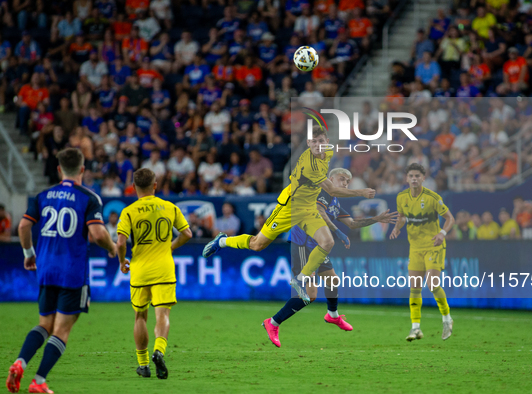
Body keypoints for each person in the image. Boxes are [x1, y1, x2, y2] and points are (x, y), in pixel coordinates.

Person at [202, 126, 376, 302]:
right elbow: (332, 190)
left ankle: (300, 279)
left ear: (327, 142)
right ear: (308, 143)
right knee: (257, 244)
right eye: (313, 142)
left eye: (321, 141)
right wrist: (360, 192)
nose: (317, 145)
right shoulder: (310, 165)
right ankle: (222, 241)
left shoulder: (328, 153)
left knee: (327, 241)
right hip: (290, 207)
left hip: (308, 208)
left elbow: (343, 150)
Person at [6, 148, 117, 394]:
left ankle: (19, 363)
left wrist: (28, 254)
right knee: (62, 329)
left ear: (58, 169)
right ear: (82, 170)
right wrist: (112, 247)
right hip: (72, 272)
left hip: (46, 269)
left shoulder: (43, 195)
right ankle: (39, 381)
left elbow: (24, 226)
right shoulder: (89, 197)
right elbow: (98, 234)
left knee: (44, 324)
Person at [262, 168, 397, 347]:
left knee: (332, 280)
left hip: (317, 246)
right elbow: (319, 212)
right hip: (302, 242)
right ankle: (273, 322)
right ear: (330, 179)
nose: (345, 183)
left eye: (347, 182)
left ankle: (332, 315)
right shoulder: (322, 192)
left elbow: (353, 223)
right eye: (342, 179)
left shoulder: (334, 202)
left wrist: (377, 218)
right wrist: (338, 233)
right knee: (309, 296)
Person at [116, 168, 192, 379]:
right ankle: (159, 350)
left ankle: (143, 365)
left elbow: (120, 243)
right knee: (163, 314)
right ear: (155, 185)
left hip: (140, 269)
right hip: (164, 268)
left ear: (134, 187)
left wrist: (122, 262)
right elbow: (187, 234)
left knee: (140, 315)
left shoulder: (129, 211)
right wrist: (171, 246)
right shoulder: (169, 207)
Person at [389, 163, 455, 342]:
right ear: (406, 178)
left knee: (432, 284)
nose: (414, 179)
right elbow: (402, 216)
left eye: (417, 176)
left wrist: (442, 233)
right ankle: (415, 327)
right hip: (415, 247)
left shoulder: (432, 197)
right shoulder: (401, 197)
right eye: (411, 176)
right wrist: (397, 228)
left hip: (434, 245)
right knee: (415, 287)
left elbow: (450, 218)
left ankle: (447, 319)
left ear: (423, 178)